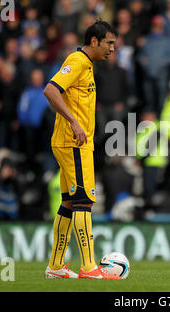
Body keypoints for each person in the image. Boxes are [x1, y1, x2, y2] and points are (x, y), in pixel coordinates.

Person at [43, 19, 120, 280]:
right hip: (73, 143)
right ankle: (88, 267)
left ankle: (55, 265)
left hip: (72, 142)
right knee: (83, 201)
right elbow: (51, 90)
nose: (112, 49)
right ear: (95, 41)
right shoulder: (77, 61)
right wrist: (74, 121)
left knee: (68, 202)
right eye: (109, 43)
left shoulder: (86, 64)